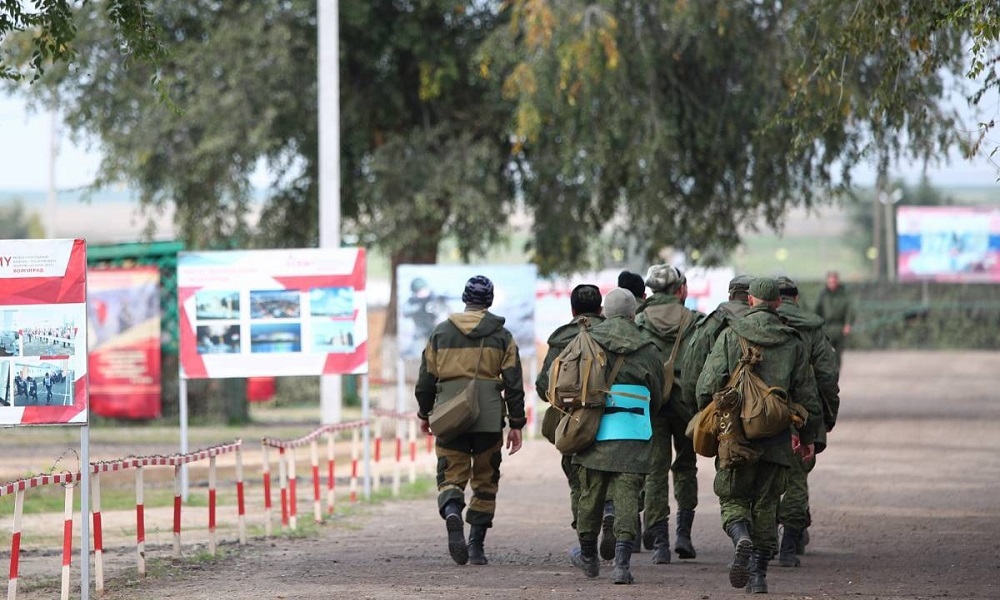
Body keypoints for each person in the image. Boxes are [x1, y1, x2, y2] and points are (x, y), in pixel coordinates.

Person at [695, 277, 822, 594]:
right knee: (767, 503)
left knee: (734, 496)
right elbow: (807, 394)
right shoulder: (793, 342)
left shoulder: (730, 335)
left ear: (750, 300)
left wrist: (710, 417)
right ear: (778, 302)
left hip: (736, 434)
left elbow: (705, 385)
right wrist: (808, 436)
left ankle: (741, 537)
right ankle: (759, 575)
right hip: (778, 435)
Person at [415, 275, 526, 566]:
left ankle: (452, 510)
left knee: (451, 474)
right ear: (488, 302)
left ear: (465, 299)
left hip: (450, 414)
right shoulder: (502, 336)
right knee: (486, 479)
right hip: (489, 417)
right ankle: (476, 546)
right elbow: (514, 382)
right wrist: (516, 423)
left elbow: (425, 380)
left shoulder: (440, 333)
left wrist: (424, 414)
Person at [569, 288, 664, 585]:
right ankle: (622, 565)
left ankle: (588, 556)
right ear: (632, 313)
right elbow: (657, 394)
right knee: (627, 497)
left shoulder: (587, 339)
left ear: (605, 312)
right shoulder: (647, 347)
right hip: (633, 431)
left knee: (590, 496)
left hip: (593, 428)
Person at [635, 264, 701, 563]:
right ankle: (683, 535)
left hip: (653, 406)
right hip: (687, 406)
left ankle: (660, 543)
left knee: (655, 471)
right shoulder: (695, 320)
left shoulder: (638, 320)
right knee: (686, 467)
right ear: (680, 290)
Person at [775, 276, 841, 567]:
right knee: (797, 476)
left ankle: (762, 542)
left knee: (763, 476)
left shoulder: (755, 324)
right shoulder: (812, 329)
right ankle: (790, 545)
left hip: (762, 411)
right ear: (796, 298)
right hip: (803, 410)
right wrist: (827, 416)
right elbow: (827, 376)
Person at [535, 284, 604, 539]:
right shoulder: (612, 335)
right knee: (609, 477)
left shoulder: (561, 338)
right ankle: (609, 513)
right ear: (600, 308)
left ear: (572, 309)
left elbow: (544, 387)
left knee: (577, 481)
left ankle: (584, 539)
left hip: (573, 423)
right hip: (610, 420)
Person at [679, 275, 754, 412]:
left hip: (721, 412)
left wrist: (697, 411)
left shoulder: (711, 324)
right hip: (764, 413)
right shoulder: (770, 325)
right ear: (753, 298)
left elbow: (691, 372)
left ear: (731, 297)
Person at [813, 271, 855, 365]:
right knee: (825, 353)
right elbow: (817, 311)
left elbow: (849, 310)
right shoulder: (823, 295)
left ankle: (836, 373)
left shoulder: (843, 295)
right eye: (830, 282)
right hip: (826, 327)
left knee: (837, 354)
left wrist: (847, 324)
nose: (832, 284)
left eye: (834, 282)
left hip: (839, 328)